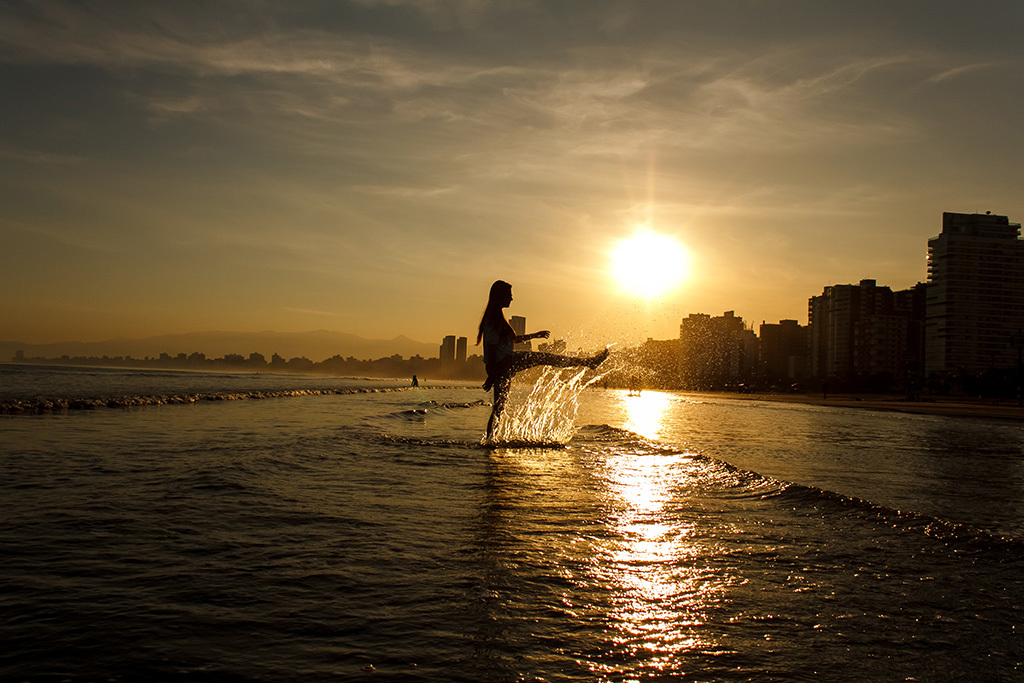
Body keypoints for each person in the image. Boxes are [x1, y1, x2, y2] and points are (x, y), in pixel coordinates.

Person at [477, 280, 608, 440]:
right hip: (504, 363)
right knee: (547, 358)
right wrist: (492, 375)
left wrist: (535, 335)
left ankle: (490, 441)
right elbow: (490, 349)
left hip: (504, 365)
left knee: (499, 407)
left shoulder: (497, 317)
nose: (511, 298)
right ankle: (589, 363)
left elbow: (510, 340)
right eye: (509, 295)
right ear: (500, 296)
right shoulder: (492, 319)